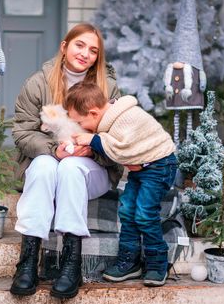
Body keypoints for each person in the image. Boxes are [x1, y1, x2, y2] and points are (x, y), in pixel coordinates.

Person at [11, 23, 122, 299]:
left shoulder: (108, 89)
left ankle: (71, 262)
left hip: (91, 169)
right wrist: (53, 149)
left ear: (98, 57)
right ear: (64, 46)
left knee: (71, 168)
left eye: (93, 50)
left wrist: (93, 149)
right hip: (48, 162)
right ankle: (28, 261)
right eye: (79, 45)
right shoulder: (38, 83)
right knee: (46, 165)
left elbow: (120, 138)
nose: (85, 54)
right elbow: (22, 132)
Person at [66, 82, 177, 287]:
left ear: (93, 113)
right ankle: (129, 261)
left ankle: (157, 263)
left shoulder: (126, 117)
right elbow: (120, 150)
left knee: (145, 214)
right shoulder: (109, 120)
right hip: (142, 169)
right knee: (127, 212)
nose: (80, 128)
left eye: (80, 123)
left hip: (160, 166)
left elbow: (122, 149)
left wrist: (93, 140)